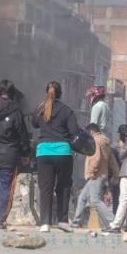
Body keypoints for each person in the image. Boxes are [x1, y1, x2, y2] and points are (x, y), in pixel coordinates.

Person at [31, 81, 79, 233]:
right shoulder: (67, 111)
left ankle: (45, 223)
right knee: (64, 186)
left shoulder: (41, 108)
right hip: (63, 153)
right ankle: (63, 221)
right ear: (61, 94)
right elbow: (74, 132)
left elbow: (34, 123)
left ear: (47, 93)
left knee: (46, 188)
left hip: (44, 152)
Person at [0, 80, 30, 229]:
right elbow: (23, 135)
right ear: (12, 93)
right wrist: (25, 153)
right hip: (9, 155)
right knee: (5, 187)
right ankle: (0, 219)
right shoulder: (16, 111)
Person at [74, 122, 117, 229]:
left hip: (95, 175)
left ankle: (113, 221)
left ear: (91, 132)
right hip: (100, 174)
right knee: (82, 197)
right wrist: (116, 173)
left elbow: (96, 158)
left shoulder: (95, 141)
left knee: (95, 200)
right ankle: (76, 221)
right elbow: (111, 160)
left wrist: (92, 171)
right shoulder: (105, 141)